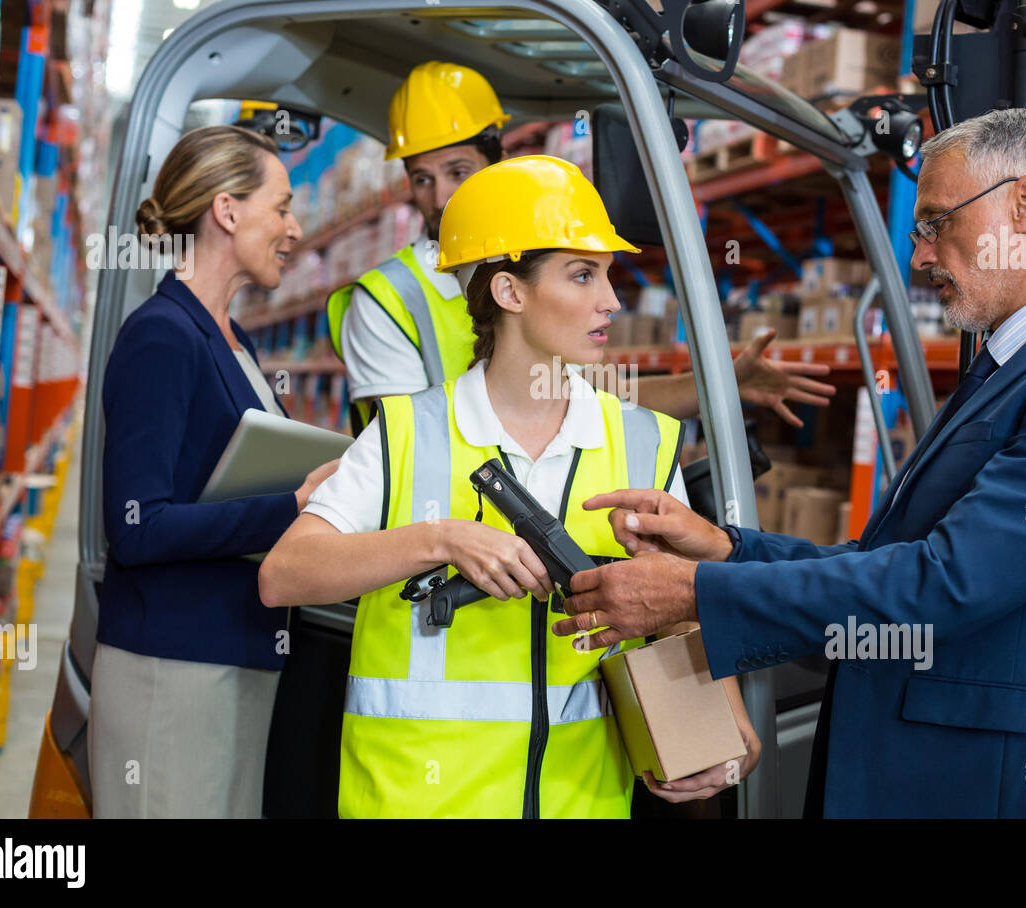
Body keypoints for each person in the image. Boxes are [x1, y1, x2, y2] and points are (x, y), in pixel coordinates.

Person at [551, 108, 1026, 818]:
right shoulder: (1010, 371)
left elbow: (943, 584)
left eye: (936, 223)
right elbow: (889, 561)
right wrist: (726, 550)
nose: (920, 255)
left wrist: (695, 593)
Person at [260, 155, 760, 817]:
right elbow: (283, 575)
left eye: (607, 276)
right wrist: (437, 540)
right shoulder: (407, 434)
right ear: (509, 292)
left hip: (580, 804)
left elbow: (685, 605)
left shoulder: (645, 441)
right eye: (582, 275)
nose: (611, 300)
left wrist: (731, 726)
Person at [327, 60, 838, 435]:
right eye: (422, 179)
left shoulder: (538, 263)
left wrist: (718, 387)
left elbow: (603, 392)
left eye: (458, 172)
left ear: (495, 160)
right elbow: (406, 446)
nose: (440, 198)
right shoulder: (388, 298)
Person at [91, 126, 339, 818]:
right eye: (281, 207)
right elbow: (137, 526)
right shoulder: (163, 335)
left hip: (238, 653)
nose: (294, 228)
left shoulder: (234, 342)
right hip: (172, 671)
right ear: (227, 212)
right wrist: (292, 505)